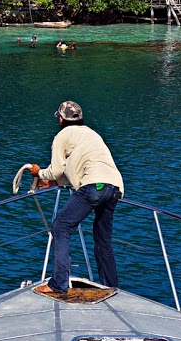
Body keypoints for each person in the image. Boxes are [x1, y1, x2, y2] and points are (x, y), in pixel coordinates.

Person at [26, 101, 124, 298]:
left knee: (60, 227)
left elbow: (56, 169)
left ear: (61, 119)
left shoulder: (62, 136)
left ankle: (58, 284)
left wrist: (40, 173)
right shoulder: (91, 134)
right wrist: (55, 183)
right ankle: (111, 287)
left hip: (93, 187)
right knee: (102, 239)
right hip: (113, 188)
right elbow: (80, 164)